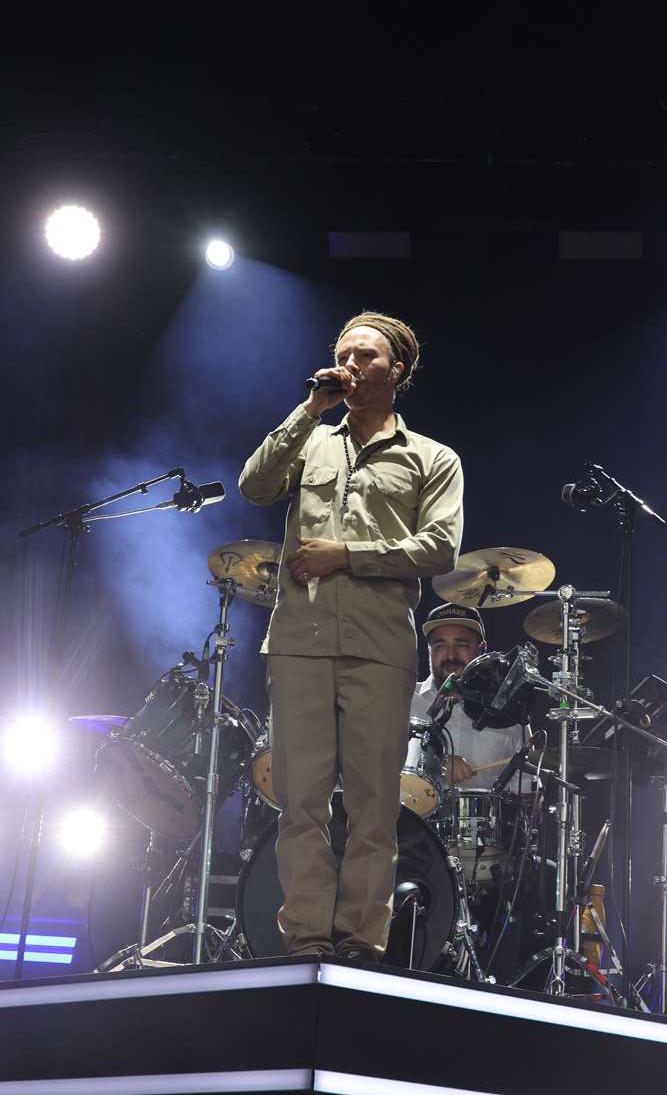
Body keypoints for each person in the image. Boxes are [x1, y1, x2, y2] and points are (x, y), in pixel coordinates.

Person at [238, 311, 463, 962]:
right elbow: (255, 485)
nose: (351, 365)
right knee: (300, 804)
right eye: (343, 354)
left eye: (366, 356)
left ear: (398, 370)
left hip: (379, 649)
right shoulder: (310, 438)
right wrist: (310, 408)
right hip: (299, 642)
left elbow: (440, 548)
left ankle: (362, 942)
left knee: (373, 807)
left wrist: (347, 555)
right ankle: (307, 941)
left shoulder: (432, 458)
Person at [411, 602, 529, 789]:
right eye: (440, 646)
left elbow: (526, 788)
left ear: (482, 649)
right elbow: (378, 764)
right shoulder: (404, 701)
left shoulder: (509, 712)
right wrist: (435, 762)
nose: (451, 655)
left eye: (462, 644)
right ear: (429, 650)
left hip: (487, 809)